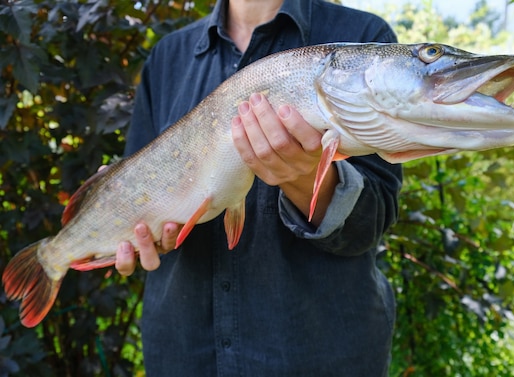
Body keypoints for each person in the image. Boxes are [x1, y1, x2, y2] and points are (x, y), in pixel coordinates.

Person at [116, 0, 403, 375]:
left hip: (317, 354)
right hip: (183, 352)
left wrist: (303, 178)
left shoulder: (364, 39)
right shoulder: (168, 56)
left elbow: (371, 222)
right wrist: (140, 231)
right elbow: (137, 189)